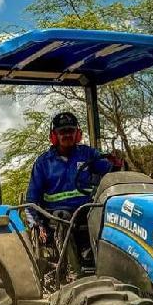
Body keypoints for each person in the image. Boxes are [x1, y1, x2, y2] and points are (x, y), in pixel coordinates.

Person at [24, 111, 123, 268]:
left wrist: (116, 162)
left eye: (70, 131)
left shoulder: (88, 154)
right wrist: (36, 225)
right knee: (63, 217)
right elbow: (31, 201)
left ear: (77, 134)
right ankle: (73, 270)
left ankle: (110, 264)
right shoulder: (43, 163)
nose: (67, 135)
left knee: (109, 215)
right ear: (54, 136)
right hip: (56, 216)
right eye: (62, 132)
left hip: (86, 210)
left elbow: (110, 170)